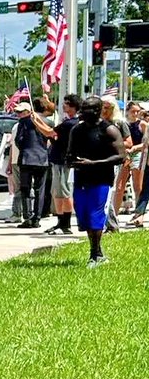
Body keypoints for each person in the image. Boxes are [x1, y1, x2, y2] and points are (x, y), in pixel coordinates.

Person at [66, 95, 124, 267]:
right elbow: (69, 152)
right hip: (81, 178)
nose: (83, 112)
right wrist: (70, 160)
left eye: (87, 109)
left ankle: (96, 254)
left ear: (98, 111)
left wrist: (95, 164)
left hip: (101, 180)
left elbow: (121, 156)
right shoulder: (77, 130)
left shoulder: (109, 130)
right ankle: (95, 252)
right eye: (82, 109)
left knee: (95, 216)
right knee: (83, 216)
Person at [31, 94, 80, 236]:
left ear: (73, 106)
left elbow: (49, 132)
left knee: (64, 193)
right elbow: (53, 133)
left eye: (66, 103)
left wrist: (35, 121)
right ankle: (60, 222)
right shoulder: (69, 122)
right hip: (58, 160)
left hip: (63, 161)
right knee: (57, 193)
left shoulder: (71, 123)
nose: (63, 106)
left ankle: (66, 223)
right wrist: (38, 120)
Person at [10, 101, 50, 228]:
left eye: (21, 112)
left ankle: (28, 217)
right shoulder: (46, 121)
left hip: (27, 159)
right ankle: (36, 218)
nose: (18, 114)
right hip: (42, 159)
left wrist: (24, 148)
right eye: (17, 112)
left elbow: (18, 141)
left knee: (26, 189)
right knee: (39, 190)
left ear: (29, 111)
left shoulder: (23, 123)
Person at [101, 96, 133, 229]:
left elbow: (129, 143)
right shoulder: (99, 123)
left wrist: (111, 144)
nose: (104, 110)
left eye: (107, 108)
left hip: (114, 160)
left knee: (108, 191)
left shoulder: (119, 123)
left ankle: (111, 224)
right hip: (100, 160)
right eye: (102, 107)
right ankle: (109, 223)